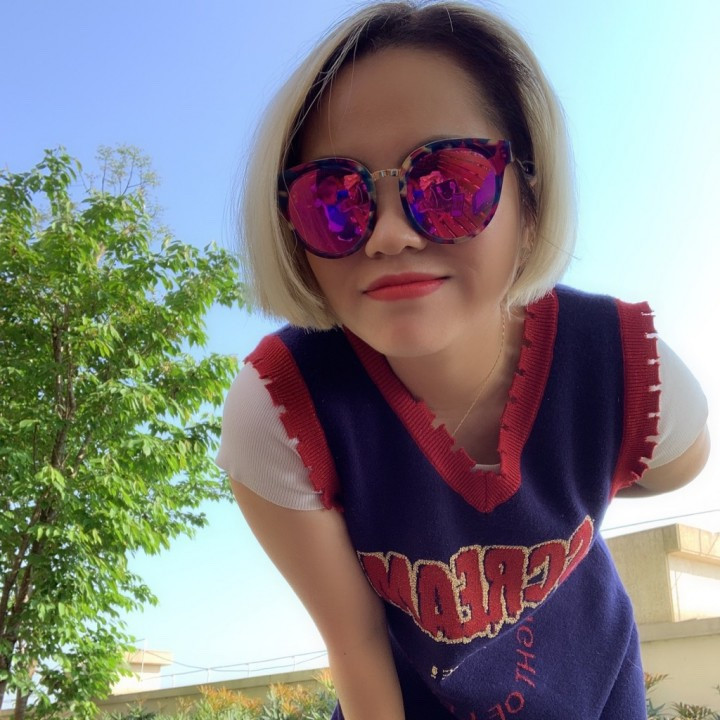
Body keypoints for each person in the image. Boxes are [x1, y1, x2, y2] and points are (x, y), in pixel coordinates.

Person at [216, 2, 710, 718]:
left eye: (447, 183)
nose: (388, 234)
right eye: (334, 199)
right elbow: (356, 645)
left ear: (530, 199)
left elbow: (680, 463)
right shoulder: (280, 408)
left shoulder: (623, 366)